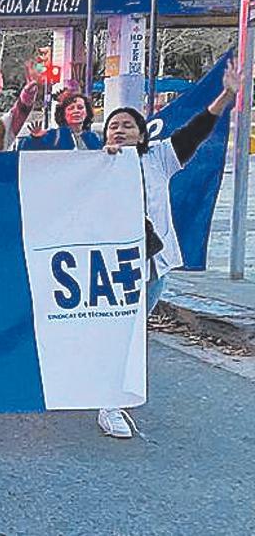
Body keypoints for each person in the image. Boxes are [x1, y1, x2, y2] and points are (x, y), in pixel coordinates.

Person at [93, 58, 239, 440]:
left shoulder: (159, 158)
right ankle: (102, 396)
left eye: (128, 125)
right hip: (108, 267)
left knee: (134, 332)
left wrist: (226, 95)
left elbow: (197, 129)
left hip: (153, 264)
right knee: (112, 331)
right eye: (114, 126)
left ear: (142, 134)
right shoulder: (91, 166)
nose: (120, 130)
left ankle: (113, 400)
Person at [18, 90, 103, 151]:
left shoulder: (94, 138)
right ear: (63, 114)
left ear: (87, 112)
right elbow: (24, 150)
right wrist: (35, 139)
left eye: (80, 108)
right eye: (71, 108)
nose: (76, 111)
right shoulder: (53, 136)